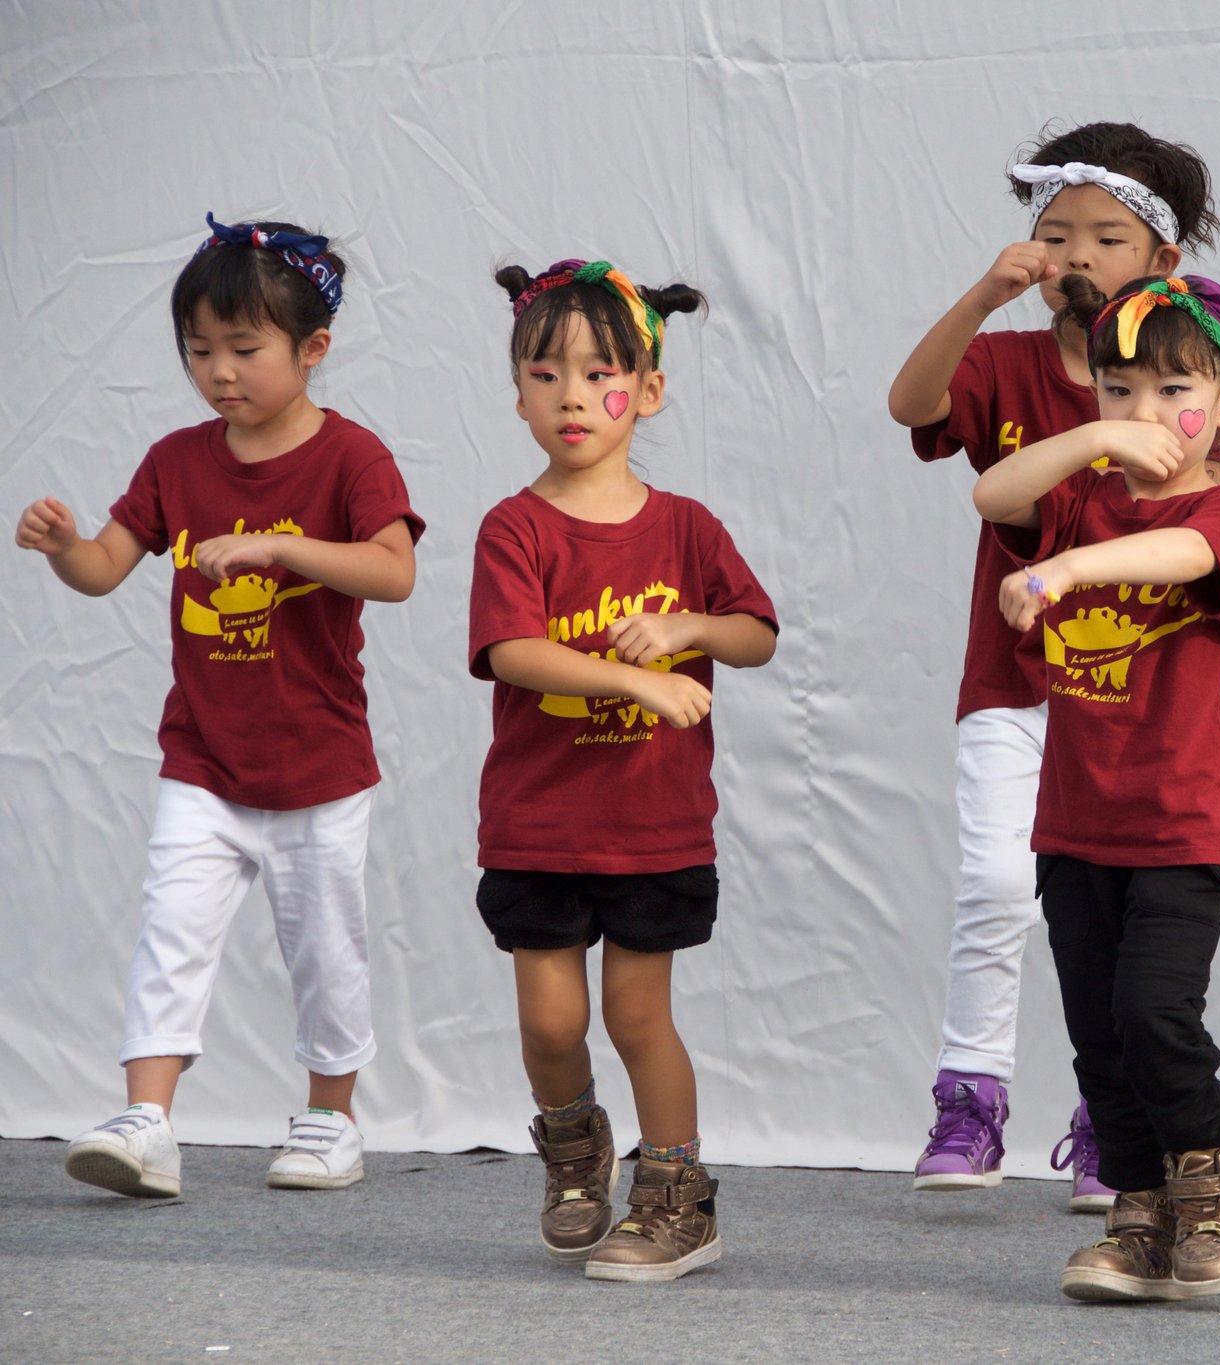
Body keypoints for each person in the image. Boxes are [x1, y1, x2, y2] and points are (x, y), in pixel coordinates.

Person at [887, 122, 1220, 1209]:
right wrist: (993, 306)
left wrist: (1074, 566)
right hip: (1023, 694)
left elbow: (1212, 528)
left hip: (1152, 743)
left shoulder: (1199, 405)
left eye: (1108, 236)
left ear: (1161, 258)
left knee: (1140, 995)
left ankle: (1150, 1154)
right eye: (1057, 233)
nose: (1076, 254)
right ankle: (980, 1101)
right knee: (1006, 895)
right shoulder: (1035, 393)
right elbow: (936, 433)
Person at [17, 214, 422, 1197]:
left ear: (313, 349)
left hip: (319, 768)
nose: (219, 373)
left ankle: (331, 1120)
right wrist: (66, 546)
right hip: (202, 759)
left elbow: (394, 571)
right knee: (171, 929)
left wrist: (280, 546)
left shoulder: (352, 458)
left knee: (326, 952)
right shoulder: (177, 461)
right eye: (199, 350)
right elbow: (105, 567)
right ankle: (147, 1121)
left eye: (244, 348)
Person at [975, 273, 1220, 1299]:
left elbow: (1186, 552)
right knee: (1099, 1038)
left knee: (1154, 1012)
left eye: (1171, 392)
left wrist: (1068, 573)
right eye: (1119, 390)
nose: (1143, 414)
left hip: (1184, 825)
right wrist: (1092, 440)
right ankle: (1140, 1213)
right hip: (1075, 825)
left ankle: (1210, 1188)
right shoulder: (1077, 497)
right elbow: (994, 494)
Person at [469, 259, 777, 1282]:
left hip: (655, 825)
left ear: (647, 392)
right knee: (551, 1020)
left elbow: (754, 633)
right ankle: (574, 1146)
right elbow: (513, 653)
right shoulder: (514, 527)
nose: (570, 397)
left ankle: (678, 1198)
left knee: (639, 1015)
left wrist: (689, 628)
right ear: (518, 393)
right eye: (545, 375)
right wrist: (636, 683)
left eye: (598, 375)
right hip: (539, 825)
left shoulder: (686, 528)